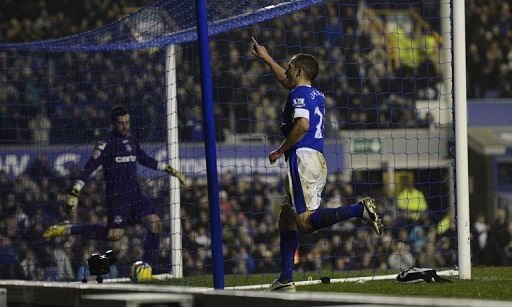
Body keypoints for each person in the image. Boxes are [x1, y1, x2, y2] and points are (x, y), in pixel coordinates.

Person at [251, 37, 383, 292]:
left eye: (289, 67)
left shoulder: (299, 94)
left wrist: (280, 150)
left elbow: (302, 125)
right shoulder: (315, 94)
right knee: (287, 218)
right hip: (316, 157)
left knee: (304, 222)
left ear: (299, 71)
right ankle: (286, 278)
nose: (287, 71)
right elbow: (288, 84)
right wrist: (267, 58)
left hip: (301, 157)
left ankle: (359, 210)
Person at [43, 105, 186, 271]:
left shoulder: (131, 140)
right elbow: (89, 168)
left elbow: (145, 159)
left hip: (136, 195)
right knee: (114, 236)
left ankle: (145, 267)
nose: (125, 126)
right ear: (113, 124)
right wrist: (75, 192)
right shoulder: (106, 144)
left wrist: (171, 170)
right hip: (118, 199)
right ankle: (68, 229)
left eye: (127, 122)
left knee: (155, 224)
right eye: (121, 123)